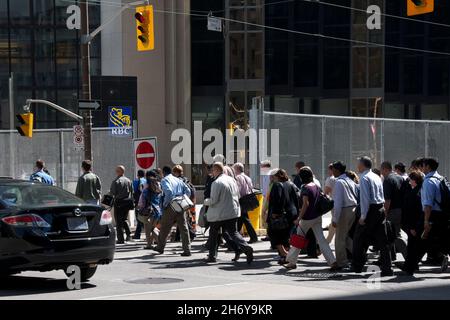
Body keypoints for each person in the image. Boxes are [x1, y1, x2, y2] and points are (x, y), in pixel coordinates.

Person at [285, 167, 338, 270]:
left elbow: (306, 204)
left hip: (306, 218)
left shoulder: (305, 188)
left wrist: (299, 218)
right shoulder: (316, 186)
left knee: (298, 240)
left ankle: (291, 262)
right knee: (321, 240)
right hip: (317, 217)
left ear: (301, 177)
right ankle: (332, 261)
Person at [203, 162, 254, 264]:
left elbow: (213, 200)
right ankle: (245, 247)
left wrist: (206, 201)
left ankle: (212, 256)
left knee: (213, 234)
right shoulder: (232, 180)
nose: (212, 173)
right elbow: (238, 195)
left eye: (213, 170)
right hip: (233, 212)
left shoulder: (216, 183)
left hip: (219, 214)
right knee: (233, 233)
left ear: (217, 170)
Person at [352, 156, 393, 276]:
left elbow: (365, 199)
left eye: (358, 164)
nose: (357, 166)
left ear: (363, 165)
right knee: (383, 241)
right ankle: (387, 268)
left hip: (370, 210)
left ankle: (357, 266)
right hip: (379, 209)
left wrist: (363, 216)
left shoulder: (364, 178)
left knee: (358, 239)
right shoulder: (377, 176)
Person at [152, 166, 192, 256]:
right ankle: (187, 249)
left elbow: (169, 192)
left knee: (165, 227)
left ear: (163, 172)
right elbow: (188, 191)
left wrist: (166, 204)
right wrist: (183, 198)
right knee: (183, 227)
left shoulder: (165, 180)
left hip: (171, 204)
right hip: (180, 203)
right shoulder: (178, 180)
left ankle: (160, 247)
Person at [418, 157, 449, 272]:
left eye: (423, 165)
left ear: (428, 167)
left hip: (432, 214)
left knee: (422, 239)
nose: (422, 168)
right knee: (440, 239)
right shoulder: (441, 178)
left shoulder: (428, 181)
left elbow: (428, 204)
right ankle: (410, 265)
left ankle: (410, 266)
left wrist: (426, 220)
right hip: (442, 213)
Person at [267, 169, 299, 265]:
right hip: (292, 213)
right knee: (285, 236)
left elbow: (278, 199)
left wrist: (276, 212)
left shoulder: (277, 185)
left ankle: (285, 254)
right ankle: (286, 255)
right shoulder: (291, 184)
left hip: (281, 214)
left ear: (276, 176)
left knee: (273, 233)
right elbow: (297, 198)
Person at [331, 161, 358, 269]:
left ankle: (342, 262)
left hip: (344, 210)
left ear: (337, 170)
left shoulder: (339, 182)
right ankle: (359, 255)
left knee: (339, 238)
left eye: (333, 169)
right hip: (353, 209)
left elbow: (338, 202)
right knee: (346, 237)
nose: (332, 171)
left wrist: (335, 219)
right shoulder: (349, 180)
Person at [381, 161, 407, 260]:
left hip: (392, 211)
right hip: (400, 210)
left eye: (382, 170)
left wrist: (385, 213)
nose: (381, 172)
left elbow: (387, 200)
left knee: (394, 235)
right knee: (391, 234)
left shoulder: (387, 180)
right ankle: (391, 256)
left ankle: (409, 259)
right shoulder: (400, 178)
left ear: (385, 169)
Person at [400, 171, 425, 275]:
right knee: (414, 245)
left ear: (414, 181)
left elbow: (413, 212)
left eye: (410, 180)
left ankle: (410, 267)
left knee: (412, 246)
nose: (409, 182)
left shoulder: (415, 193)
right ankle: (410, 266)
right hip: (416, 224)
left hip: (413, 224)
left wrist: (412, 227)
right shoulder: (420, 191)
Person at [233, 163, 258, 243]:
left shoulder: (237, 177)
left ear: (237, 169)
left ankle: (253, 237)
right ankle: (235, 238)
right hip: (248, 198)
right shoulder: (247, 177)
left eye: (234, 169)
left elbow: (238, 191)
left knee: (244, 218)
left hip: (242, 200)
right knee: (242, 218)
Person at [138, 170, 162, 249]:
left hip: (148, 211)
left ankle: (156, 244)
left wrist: (140, 208)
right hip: (157, 211)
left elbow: (142, 202)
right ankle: (156, 243)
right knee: (153, 228)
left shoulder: (146, 190)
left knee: (148, 229)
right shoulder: (158, 188)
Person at [110, 165, 134, 244]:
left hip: (119, 202)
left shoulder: (116, 181)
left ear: (119, 172)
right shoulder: (129, 181)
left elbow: (112, 192)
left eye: (117, 170)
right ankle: (129, 235)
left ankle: (120, 239)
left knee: (119, 221)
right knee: (124, 219)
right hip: (127, 202)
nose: (115, 172)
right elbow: (132, 191)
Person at [173, 165, 197, 241]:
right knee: (181, 218)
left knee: (182, 218)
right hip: (185, 201)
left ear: (176, 172)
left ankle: (191, 233)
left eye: (174, 172)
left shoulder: (178, 180)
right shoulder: (186, 179)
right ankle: (177, 237)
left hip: (180, 201)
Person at [132, 170, 147, 239]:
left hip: (138, 202)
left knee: (139, 218)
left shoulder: (135, 181)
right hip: (146, 202)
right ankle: (138, 234)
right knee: (144, 218)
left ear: (138, 175)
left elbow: (133, 191)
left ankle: (137, 234)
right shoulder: (146, 181)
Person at [324, 163, 337, 243]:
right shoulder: (341, 178)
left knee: (334, 223)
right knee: (334, 223)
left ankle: (327, 241)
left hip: (334, 203)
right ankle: (327, 241)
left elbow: (326, 193)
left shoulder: (330, 179)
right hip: (343, 204)